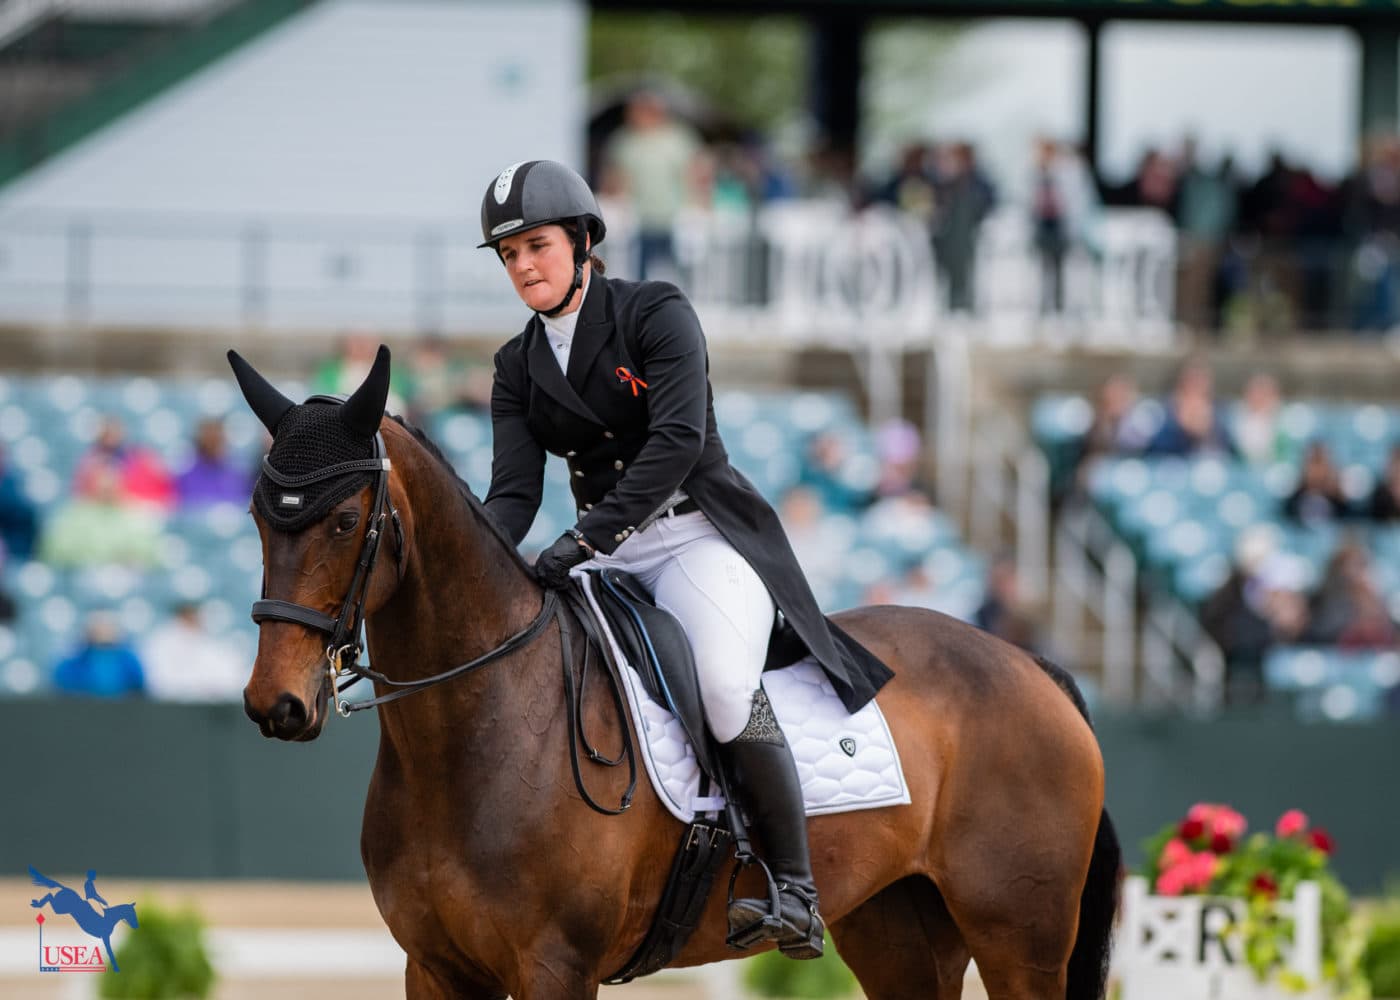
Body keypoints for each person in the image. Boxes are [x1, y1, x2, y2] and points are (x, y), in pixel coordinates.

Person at [476, 159, 892, 959]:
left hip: (697, 535)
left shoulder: (655, 311)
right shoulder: (513, 366)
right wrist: (475, 558)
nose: (523, 266)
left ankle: (796, 892)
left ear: (583, 240)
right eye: (508, 255)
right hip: (606, 557)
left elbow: (677, 443)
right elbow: (513, 496)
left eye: (535, 245)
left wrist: (585, 539)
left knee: (727, 687)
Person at [139, 602, 247, 701]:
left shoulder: (210, 645)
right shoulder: (160, 643)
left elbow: (230, 681)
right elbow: (159, 684)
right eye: (188, 616)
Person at [51, 611, 145, 698]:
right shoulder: (73, 662)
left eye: (107, 625)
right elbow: (63, 689)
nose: (103, 629)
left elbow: (138, 690)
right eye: (98, 624)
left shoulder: (130, 662)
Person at [175, 419, 252, 508]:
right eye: (209, 440)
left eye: (217, 439)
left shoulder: (238, 478)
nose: (213, 444)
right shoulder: (184, 480)